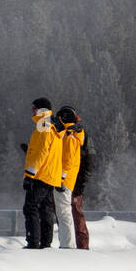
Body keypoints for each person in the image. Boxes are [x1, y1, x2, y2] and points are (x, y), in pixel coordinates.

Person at [21, 97, 62, 249]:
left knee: (31, 207)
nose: (32, 110)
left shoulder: (43, 125)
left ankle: (33, 242)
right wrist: (29, 151)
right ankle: (46, 243)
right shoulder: (51, 126)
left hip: (40, 175)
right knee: (46, 210)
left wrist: (30, 174)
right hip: (50, 175)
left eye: (34, 107)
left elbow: (42, 151)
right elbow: (48, 152)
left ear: (41, 109)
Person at [54, 106, 88, 249]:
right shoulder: (72, 134)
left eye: (59, 118)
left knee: (64, 212)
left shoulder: (69, 136)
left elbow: (67, 161)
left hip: (64, 180)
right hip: (67, 179)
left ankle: (67, 245)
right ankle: (67, 243)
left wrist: (61, 179)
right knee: (64, 212)